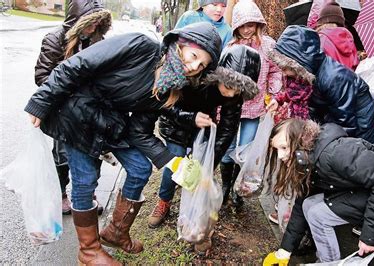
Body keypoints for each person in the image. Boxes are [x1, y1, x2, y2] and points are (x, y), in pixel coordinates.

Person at [24, 22, 221, 265]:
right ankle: (89, 251)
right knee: (85, 181)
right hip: (78, 114)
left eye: (201, 65)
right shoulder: (140, 46)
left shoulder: (169, 89)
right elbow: (78, 64)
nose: (193, 66)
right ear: (179, 42)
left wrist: (173, 162)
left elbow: (139, 131)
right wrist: (43, 99)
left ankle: (116, 232)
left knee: (140, 168)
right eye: (194, 56)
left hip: (109, 123)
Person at [263, 119, 374, 264]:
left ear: (299, 140)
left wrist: (370, 236)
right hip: (372, 188)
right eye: (277, 149)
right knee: (308, 204)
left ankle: (328, 263)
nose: (281, 155)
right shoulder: (308, 156)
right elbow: (301, 201)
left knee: (318, 215)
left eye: (284, 147)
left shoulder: (334, 153)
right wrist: (284, 250)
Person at [147, 44, 260, 233]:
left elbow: (228, 128)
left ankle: (193, 207)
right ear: (219, 76)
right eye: (230, 86)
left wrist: (210, 163)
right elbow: (165, 104)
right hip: (176, 125)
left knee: (198, 169)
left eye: (238, 91)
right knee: (174, 163)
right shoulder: (197, 76)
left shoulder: (235, 92)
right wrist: (190, 118)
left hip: (202, 128)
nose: (232, 94)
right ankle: (164, 200)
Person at [34, 0, 112, 216]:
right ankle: (60, 194)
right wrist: (73, 82)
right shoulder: (54, 39)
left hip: (90, 110)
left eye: (99, 23)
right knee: (62, 156)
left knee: (94, 152)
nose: (93, 28)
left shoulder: (99, 41)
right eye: (90, 22)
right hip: (63, 110)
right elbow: (42, 76)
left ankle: (87, 193)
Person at [267, 25, 374, 145]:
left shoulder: (334, 77)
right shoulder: (305, 74)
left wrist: (324, 144)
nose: (283, 72)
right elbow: (298, 93)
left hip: (361, 123)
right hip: (335, 116)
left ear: (297, 63)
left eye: (285, 67)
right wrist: (279, 99)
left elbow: (345, 123)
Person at [219, 0, 283, 207]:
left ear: (258, 24)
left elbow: (275, 71)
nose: (247, 30)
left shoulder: (268, 45)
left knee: (245, 151)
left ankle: (239, 188)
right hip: (230, 107)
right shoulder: (230, 46)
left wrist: (273, 92)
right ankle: (225, 186)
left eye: (251, 25)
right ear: (236, 26)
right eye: (243, 26)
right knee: (227, 148)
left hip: (255, 108)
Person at [314, 1, 359, 70]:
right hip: (349, 79)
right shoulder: (348, 39)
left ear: (321, 21)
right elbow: (355, 64)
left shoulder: (320, 40)